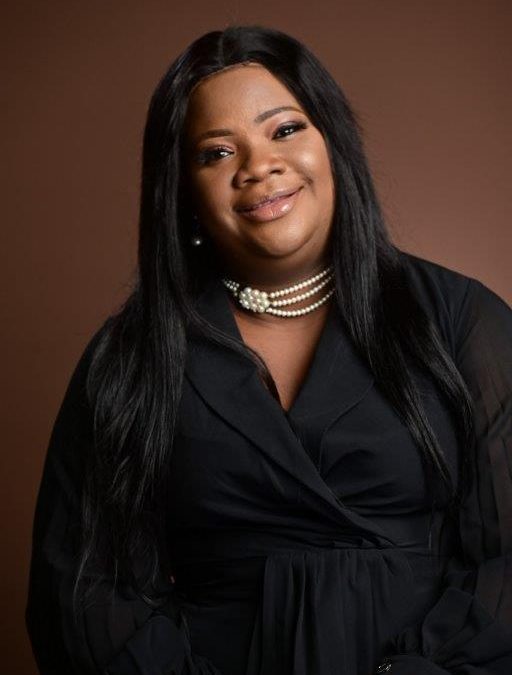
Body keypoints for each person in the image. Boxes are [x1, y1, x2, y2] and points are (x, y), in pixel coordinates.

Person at [26, 24, 512, 675]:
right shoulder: (131, 356)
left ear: (333, 142)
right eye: (216, 152)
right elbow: (81, 590)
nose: (258, 166)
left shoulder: (459, 320)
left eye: (284, 129)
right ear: (183, 191)